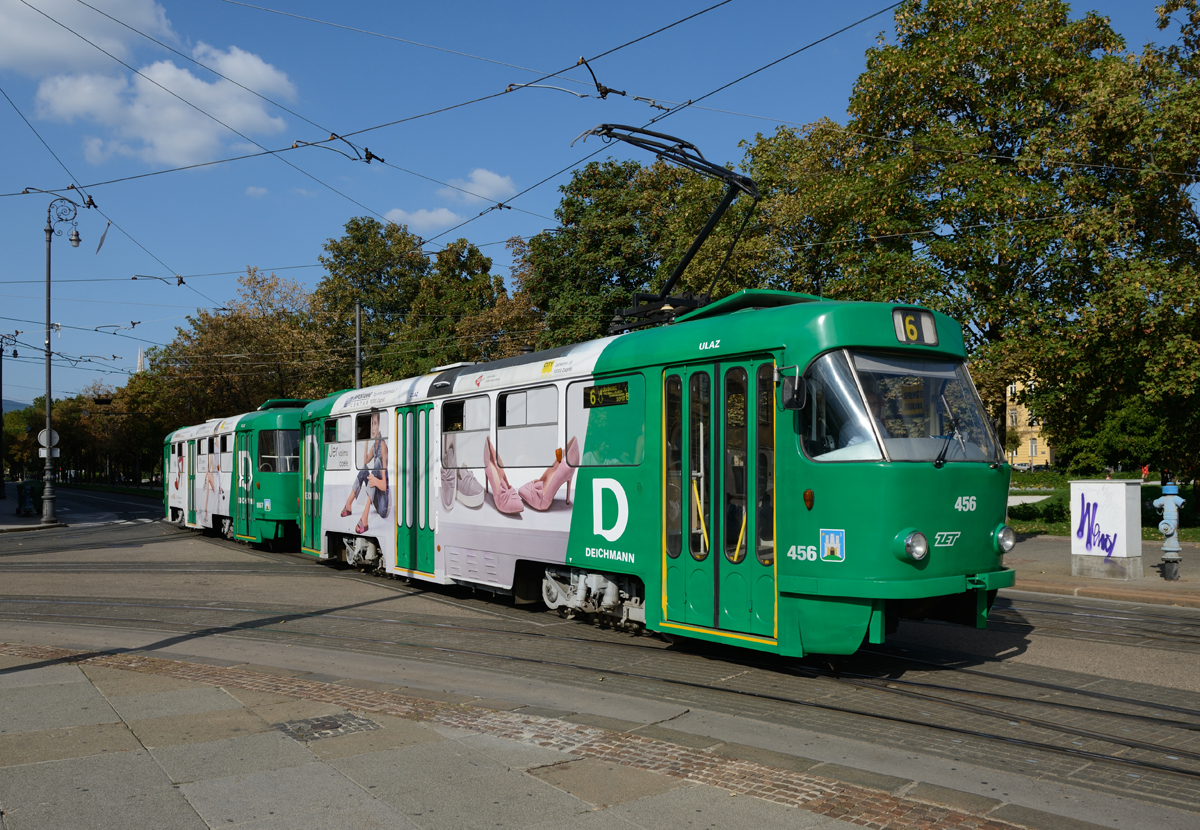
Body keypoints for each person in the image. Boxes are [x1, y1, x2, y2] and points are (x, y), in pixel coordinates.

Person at [341, 410, 389, 533]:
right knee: (364, 469)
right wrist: (366, 441)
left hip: (382, 505)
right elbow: (365, 460)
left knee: (377, 463)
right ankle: (348, 504)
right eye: (370, 424)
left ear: (379, 425)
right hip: (375, 496)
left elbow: (384, 486)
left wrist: (375, 481)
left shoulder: (383, 446)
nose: (372, 427)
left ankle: (365, 518)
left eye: (374, 423)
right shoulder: (375, 445)